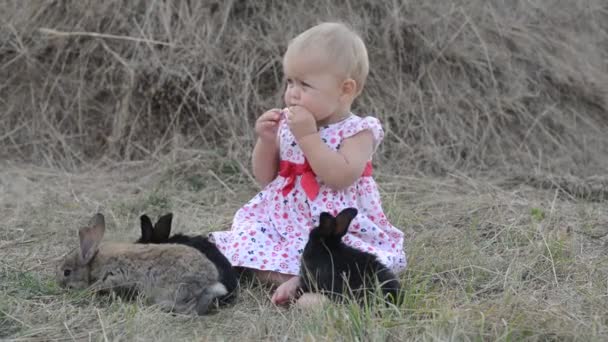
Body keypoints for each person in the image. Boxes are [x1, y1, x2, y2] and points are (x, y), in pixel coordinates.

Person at [209, 21, 406, 307]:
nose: (292, 93)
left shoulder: (358, 131)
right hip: (285, 219)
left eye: (305, 84)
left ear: (345, 89)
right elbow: (268, 178)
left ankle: (312, 281)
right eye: (289, 81)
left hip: (333, 226)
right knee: (246, 239)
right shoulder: (294, 126)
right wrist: (265, 141)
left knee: (352, 257)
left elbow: (340, 177)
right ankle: (300, 278)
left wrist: (309, 136)